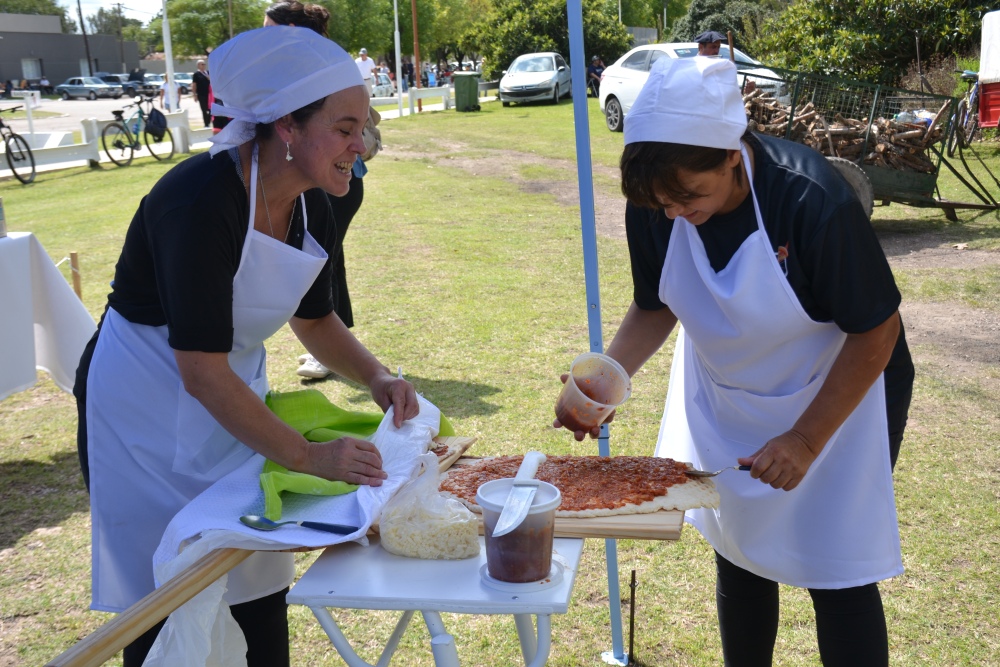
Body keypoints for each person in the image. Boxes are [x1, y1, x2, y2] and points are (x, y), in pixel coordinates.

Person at [73, 26, 418, 667]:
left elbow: (314, 321)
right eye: (346, 128)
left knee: (252, 581)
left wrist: (375, 377)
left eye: (365, 126)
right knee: (167, 593)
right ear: (287, 125)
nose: (361, 145)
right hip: (142, 411)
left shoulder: (319, 198)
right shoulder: (199, 200)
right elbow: (200, 372)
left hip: (233, 404)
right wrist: (310, 458)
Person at [554, 57, 913, 666]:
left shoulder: (809, 198)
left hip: (840, 392)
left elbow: (877, 331)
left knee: (836, 563)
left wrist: (804, 438)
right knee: (740, 550)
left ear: (730, 153)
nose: (674, 213)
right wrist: (604, 378)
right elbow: (655, 303)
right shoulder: (657, 199)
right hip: (730, 392)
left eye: (689, 196)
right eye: (661, 204)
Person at [262, 0, 370, 381]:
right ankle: (329, 349)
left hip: (335, 182)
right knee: (325, 259)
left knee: (322, 260)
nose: (263, 39)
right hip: (329, 181)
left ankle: (327, 354)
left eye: (269, 29)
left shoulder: (323, 74)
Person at [191, 60, 211, 127]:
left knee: (211, 110)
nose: (204, 65)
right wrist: (194, 95)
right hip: (201, 95)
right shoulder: (196, 74)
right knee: (204, 110)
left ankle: (209, 121)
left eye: (204, 64)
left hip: (210, 95)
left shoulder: (208, 72)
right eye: (202, 64)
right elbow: (194, 85)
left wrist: (209, 79)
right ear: (198, 66)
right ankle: (206, 124)